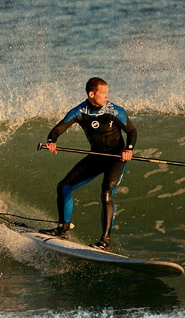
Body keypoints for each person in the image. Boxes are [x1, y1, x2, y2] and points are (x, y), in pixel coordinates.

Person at [40, 77, 137, 250]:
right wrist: (51, 140)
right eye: (103, 93)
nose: (107, 96)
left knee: (106, 192)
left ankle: (104, 241)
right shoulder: (80, 111)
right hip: (96, 157)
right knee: (64, 187)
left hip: (116, 158)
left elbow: (131, 131)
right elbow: (58, 128)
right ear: (92, 94)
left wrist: (128, 149)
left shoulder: (115, 111)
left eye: (108, 92)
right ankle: (63, 229)